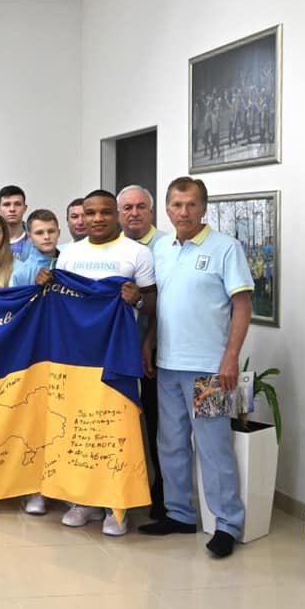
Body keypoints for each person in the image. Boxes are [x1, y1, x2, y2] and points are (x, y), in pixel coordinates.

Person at [138, 176, 253, 559]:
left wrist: (231, 356)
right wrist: (150, 340)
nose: (183, 212)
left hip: (210, 370)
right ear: (167, 209)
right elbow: (162, 302)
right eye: (176, 205)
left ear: (204, 208)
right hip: (168, 365)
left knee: (214, 447)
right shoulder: (161, 248)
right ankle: (180, 514)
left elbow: (242, 305)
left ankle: (227, 524)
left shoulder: (226, 248)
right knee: (170, 443)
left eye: (191, 205)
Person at [37, 190, 156, 535]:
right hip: (74, 356)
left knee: (115, 427)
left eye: (105, 212)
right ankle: (82, 501)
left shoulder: (137, 252)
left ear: (116, 214)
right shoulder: (69, 255)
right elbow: (57, 302)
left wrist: (137, 299)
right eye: (90, 213)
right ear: (82, 217)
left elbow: (152, 303)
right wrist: (44, 283)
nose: (97, 218)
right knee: (77, 425)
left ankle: (115, 507)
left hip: (117, 354)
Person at [118, 184, 169, 519]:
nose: (134, 213)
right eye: (127, 208)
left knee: (158, 426)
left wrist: (149, 341)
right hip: (118, 352)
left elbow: (164, 302)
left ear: (151, 211)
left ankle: (162, 494)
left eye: (140, 207)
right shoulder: (112, 248)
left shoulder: (166, 247)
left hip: (156, 352)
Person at [10, 209, 61, 287]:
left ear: (58, 233)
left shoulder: (70, 262)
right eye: (39, 233)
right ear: (29, 237)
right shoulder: (21, 274)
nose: (46, 237)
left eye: (51, 231)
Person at [0, 185, 33, 261]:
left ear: (25, 208)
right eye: (6, 204)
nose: (12, 209)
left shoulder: (36, 238)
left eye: (17, 204)